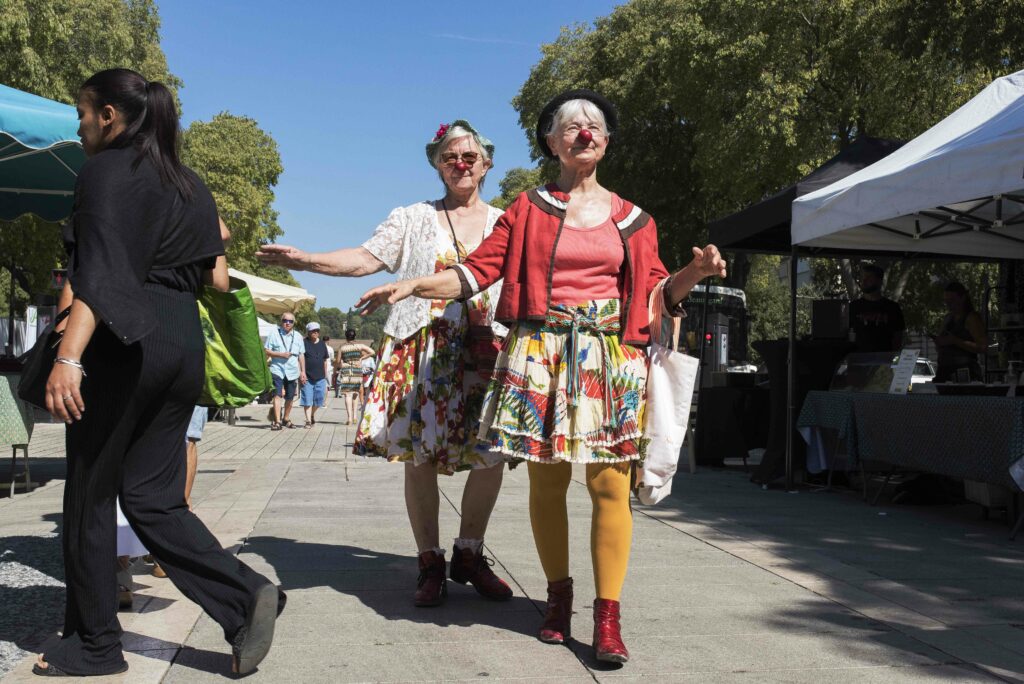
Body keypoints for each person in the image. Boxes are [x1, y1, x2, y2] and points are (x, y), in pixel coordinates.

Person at [358, 90, 726, 663]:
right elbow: (476, 272)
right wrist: (412, 286)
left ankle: (608, 619)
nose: (585, 131)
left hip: (609, 358)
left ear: (606, 141)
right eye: (571, 125)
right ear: (551, 142)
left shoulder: (637, 220)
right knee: (547, 483)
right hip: (540, 353)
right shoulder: (527, 209)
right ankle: (558, 600)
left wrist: (693, 274)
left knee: (609, 486)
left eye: (595, 124)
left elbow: (657, 294)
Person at [37, 68, 282, 677]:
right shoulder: (190, 184)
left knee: (90, 497)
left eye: (84, 113)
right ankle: (244, 593)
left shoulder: (103, 173)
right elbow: (217, 278)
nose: (80, 124)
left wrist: (68, 357)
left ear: (111, 117)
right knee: (153, 497)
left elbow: (100, 274)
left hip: (121, 338)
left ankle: (95, 645)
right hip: (180, 340)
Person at [256, 119, 514, 608]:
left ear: (487, 163)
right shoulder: (413, 217)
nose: (460, 164)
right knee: (419, 458)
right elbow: (365, 257)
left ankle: (470, 554)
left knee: (492, 455)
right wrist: (306, 260)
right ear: (436, 164)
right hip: (421, 348)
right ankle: (430, 562)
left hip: (486, 348)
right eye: (449, 157)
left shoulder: (507, 220)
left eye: (469, 156)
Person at [934, 281, 986, 382]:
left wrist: (955, 341)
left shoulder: (972, 318)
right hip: (944, 373)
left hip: (964, 374)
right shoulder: (948, 318)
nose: (948, 304)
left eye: (952, 300)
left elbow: (983, 347)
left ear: (963, 298)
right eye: (946, 301)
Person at [849, 263, 905, 353]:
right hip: (858, 362)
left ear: (879, 281)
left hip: (884, 362)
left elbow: (898, 338)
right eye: (862, 277)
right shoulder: (853, 307)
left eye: (869, 277)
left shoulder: (892, 308)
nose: (864, 280)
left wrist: (892, 361)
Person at [264, 312, 305, 430]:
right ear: (281, 321)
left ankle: (286, 418)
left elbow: (301, 355)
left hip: (292, 371)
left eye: (290, 321)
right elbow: (266, 351)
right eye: (285, 320)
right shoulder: (274, 333)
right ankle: (277, 421)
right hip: (277, 369)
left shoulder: (298, 336)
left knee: (290, 397)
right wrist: (280, 354)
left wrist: (303, 372)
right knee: (277, 395)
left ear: (293, 323)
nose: (287, 323)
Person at [334, 329, 373, 424]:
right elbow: (372, 352)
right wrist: (361, 358)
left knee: (348, 394)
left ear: (346, 336)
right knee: (355, 393)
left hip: (346, 371)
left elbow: (338, 361)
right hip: (357, 371)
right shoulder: (360, 346)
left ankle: (350, 418)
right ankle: (355, 417)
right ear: (355, 336)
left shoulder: (342, 347)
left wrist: (339, 365)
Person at [300, 322, 330, 427]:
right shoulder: (303, 343)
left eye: (317, 330)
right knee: (307, 399)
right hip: (307, 376)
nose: (316, 332)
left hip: (320, 377)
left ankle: (312, 415)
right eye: (313, 331)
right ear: (308, 332)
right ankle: (308, 421)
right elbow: (299, 359)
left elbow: (325, 360)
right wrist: (301, 372)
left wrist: (325, 374)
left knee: (319, 400)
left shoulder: (322, 344)